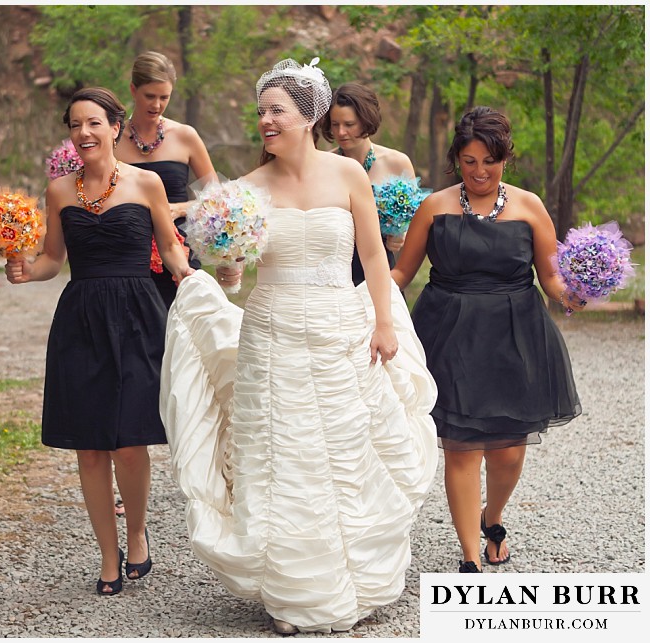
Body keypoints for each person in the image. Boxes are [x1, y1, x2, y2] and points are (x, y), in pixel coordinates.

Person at [160, 58, 438, 633]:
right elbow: (235, 273)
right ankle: (293, 590)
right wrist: (226, 262)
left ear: (308, 116)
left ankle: (354, 582)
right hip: (274, 328)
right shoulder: (245, 191)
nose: (264, 120)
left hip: (342, 326)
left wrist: (385, 322)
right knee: (282, 454)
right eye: (260, 110)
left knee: (344, 449)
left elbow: (373, 256)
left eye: (275, 110)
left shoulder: (349, 175)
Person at [5, 87, 194, 596]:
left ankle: (136, 534)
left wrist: (196, 278)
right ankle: (107, 557)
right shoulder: (59, 191)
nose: (83, 133)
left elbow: (172, 252)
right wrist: (26, 271)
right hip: (81, 319)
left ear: (115, 127)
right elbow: (52, 260)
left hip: (138, 318)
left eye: (93, 123)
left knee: (131, 443)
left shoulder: (148, 183)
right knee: (89, 447)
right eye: (74, 125)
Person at [391, 106, 582, 573]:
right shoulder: (434, 206)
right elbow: (400, 273)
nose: (479, 171)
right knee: (460, 447)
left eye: (489, 162)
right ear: (457, 158)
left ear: (505, 159)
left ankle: (491, 519)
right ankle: (470, 557)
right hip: (448, 334)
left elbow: (552, 278)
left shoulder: (529, 205)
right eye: (469, 161)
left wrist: (574, 294)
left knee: (509, 453)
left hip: (514, 336)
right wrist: (359, 302)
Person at [116, 50, 216, 309]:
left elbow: (217, 199)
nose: (157, 105)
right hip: (128, 252)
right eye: (150, 96)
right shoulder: (112, 140)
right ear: (133, 90)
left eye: (165, 97)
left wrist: (180, 208)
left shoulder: (185, 136)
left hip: (179, 248)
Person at [322, 82, 420, 285]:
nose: (341, 132)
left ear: (366, 121)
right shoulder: (325, 165)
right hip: (335, 270)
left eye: (349, 124)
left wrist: (402, 234)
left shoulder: (397, 162)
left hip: (380, 266)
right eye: (335, 124)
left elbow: (416, 222)